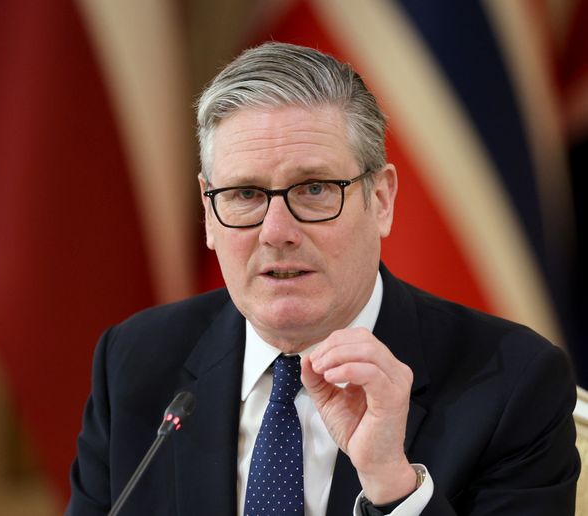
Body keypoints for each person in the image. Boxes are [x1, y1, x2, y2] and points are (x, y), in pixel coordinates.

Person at [66, 42, 579, 515]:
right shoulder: (134, 363)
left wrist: (391, 484)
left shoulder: (514, 383)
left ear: (380, 200)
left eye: (313, 189)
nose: (276, 232)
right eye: (244, 194)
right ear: (207, 212)